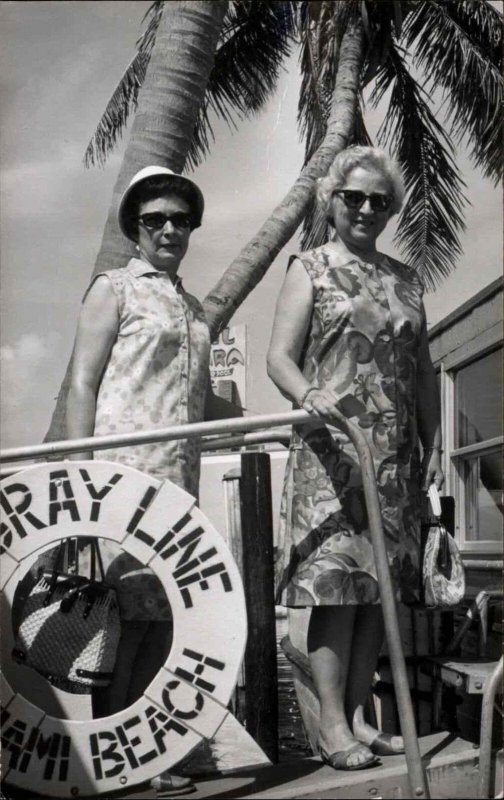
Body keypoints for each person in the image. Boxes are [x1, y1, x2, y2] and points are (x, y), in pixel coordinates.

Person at [267, 146, 443, 772]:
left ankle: (365, 722)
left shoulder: (405, 279)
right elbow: (280, 359)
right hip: (331, 454)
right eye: (354, 198)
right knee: (336, 591)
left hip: (395, 461)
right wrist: (309, 396)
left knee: (379, 596)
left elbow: (422, 371)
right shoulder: (308, 269)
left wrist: (435, 445)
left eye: (379, 201)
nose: (367, 208)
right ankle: (334, 726)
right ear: (332, 201)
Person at [67, 166, 241, 795]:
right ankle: (116, 761)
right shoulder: (112, 289)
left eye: (179, 219)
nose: (168, 228)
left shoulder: (191, 307)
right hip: (122, 483)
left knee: (165, 619)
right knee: (124, 623)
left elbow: (198, 401)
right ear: (136, 228)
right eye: (154, 219)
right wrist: (84, 483)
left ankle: (145, 751)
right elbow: (84, 382)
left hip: (178, 492)